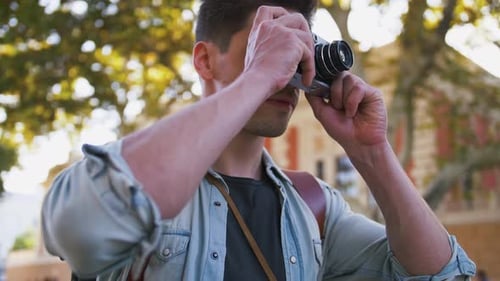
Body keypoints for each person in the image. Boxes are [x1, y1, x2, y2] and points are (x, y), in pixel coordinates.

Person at [41, 0, 477, 280]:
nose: (290, 67)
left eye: (297, 49)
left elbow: (440, 275)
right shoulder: (137, 174)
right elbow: (80, 227)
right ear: (205, 60)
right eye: (269, 43)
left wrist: (371, 151)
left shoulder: (313, 206)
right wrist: (258, 76)